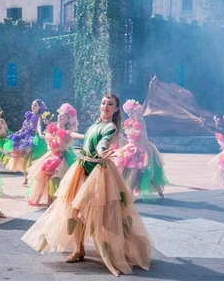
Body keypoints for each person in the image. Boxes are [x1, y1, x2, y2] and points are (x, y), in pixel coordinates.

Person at [22, 94, 152, 277]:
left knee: (105, 216)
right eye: (104, 103)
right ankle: (79, 249)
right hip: (82, 168)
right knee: (74, 211)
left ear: (116, 109)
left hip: (99, 172)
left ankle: (121, 248)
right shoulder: (95, 124)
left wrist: (101, 150)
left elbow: (102, 143)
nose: (105, 106)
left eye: (110, 104)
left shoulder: (111, 127)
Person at [115, 99, 168, 202]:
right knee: (125, 168)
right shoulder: (128, 122)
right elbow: (129, 135)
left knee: (150, 172)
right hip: (131, 147)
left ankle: (157, 191)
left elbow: (140, 135)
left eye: (132, 113)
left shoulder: (140, 121)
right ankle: (123, 191)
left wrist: (136, 114)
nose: (131, 115)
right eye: (129, 113)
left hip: (143, 148)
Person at [26, 103, 78, 206]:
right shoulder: (52, 126)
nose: (60, 116)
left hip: (62, 156)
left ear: (68, 120)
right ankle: (47, 198)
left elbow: (73, 135)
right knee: (43, 175)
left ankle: (56, 199)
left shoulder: (67, 131)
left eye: (64, 116)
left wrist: (84, 136)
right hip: (51, 154)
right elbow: (46, 134)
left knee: (58, 177)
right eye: (60, 114)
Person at [5, 99, 48, 185]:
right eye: (32, 104)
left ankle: (30, 177)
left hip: (32, 139)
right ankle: (25, 178)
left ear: (39, 107)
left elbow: (39, 126)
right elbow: (24, 126)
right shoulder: (28, 115)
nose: (33, 106)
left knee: (28, 157)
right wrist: (19, 131)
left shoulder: (39, 117)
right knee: (23, 158)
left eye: (35, 105)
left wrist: (39, 134)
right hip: (25, 136)